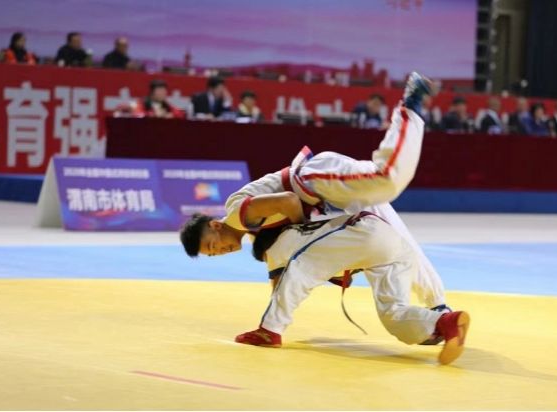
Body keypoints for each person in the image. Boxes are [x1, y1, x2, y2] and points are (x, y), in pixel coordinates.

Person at [179, 72, 450, 345]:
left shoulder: (237, 213)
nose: (220, 251)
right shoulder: (257, 238)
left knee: (387, 178)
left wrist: (310, 234)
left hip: (314, 183)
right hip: (330, 202)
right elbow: (282, 276)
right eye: (213, 254)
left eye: (213, 245)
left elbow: (288, 201)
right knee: (401, 242)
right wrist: (272, 316)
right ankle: (440, 309)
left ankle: (410, 106)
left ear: (215, 225)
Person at [233, 212, 470, 365]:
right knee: (393, 313)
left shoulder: (278, 246)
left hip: (365, 232)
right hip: (390, 241)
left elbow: (285, 282)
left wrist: (273, 317)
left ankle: (269, 331)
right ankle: (443, 323)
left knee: (300, 269)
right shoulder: (308, 232)